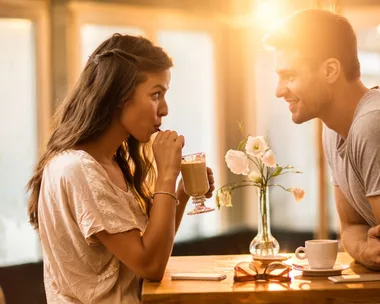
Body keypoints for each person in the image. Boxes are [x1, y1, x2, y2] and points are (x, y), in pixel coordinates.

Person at [26, 33, 215, 303]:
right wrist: (166, 175)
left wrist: (181, 191)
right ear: (120, 95)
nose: (164, 109)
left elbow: (152, 251)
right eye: (156, 94)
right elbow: (151, 266)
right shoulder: (79, 169)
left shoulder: (108, 163)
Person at [264, 9, 380, 271]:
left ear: (330, 70)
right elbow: (351, 226)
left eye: (290, 76)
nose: (279, 90)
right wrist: (363, 249)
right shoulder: (332, 129)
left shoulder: (372, 124)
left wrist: (363, 248)